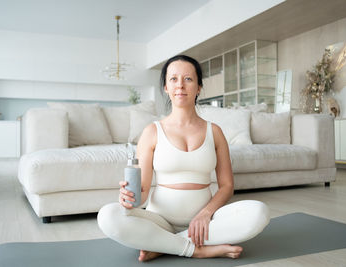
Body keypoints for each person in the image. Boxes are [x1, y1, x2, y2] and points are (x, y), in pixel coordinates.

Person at [97, 55, 270, 262]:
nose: (180, 85)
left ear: (198, 87)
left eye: (188, 79)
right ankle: (195, 249)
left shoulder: (214, 132)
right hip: (159, 220)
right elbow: (142, 194)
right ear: (166, 88)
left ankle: (163, 244)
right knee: (107, 215)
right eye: (173, 79)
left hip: (206, 221)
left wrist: (206, 214)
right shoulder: (152, 132)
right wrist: (128, 200)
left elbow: (226, 186)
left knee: (259, 212)